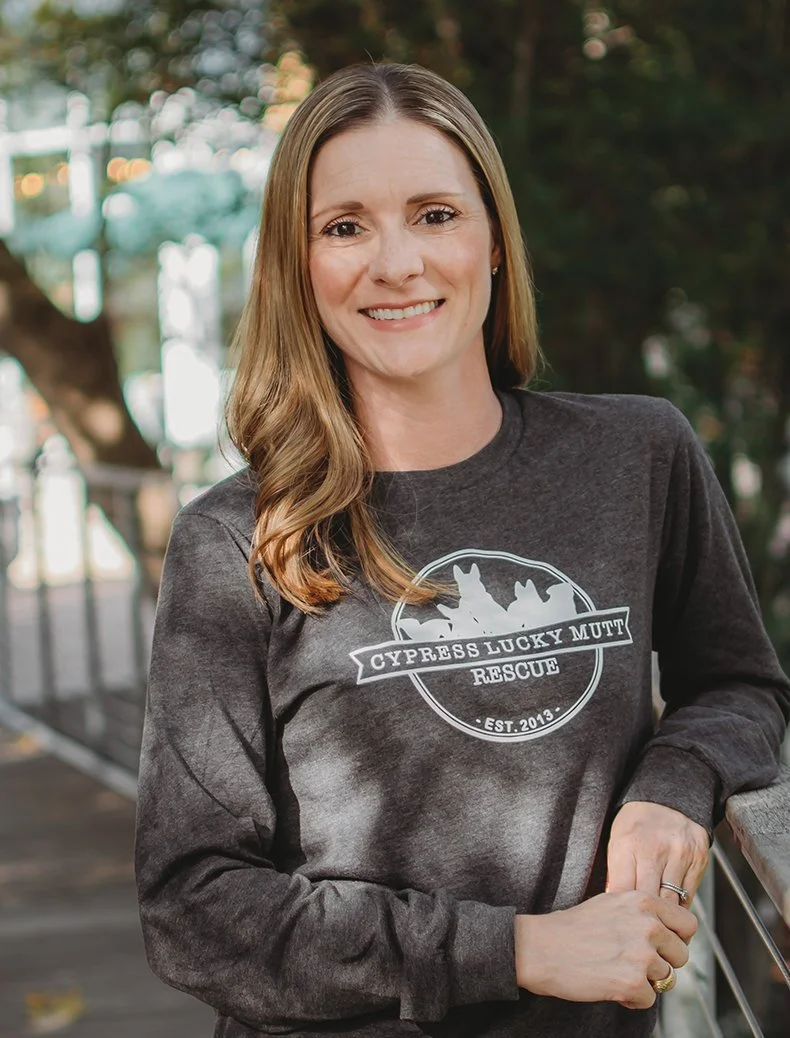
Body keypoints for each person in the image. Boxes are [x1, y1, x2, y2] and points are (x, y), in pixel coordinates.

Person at [133, 62, 790, 1038]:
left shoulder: (635, 458)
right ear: (297, 269)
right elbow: (193, 910)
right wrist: (516, 950)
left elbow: (740, 685)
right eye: (344, 227)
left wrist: (675, 785)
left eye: (435, 215)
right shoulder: (237, 539)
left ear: (493, 244)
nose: (396, 263)